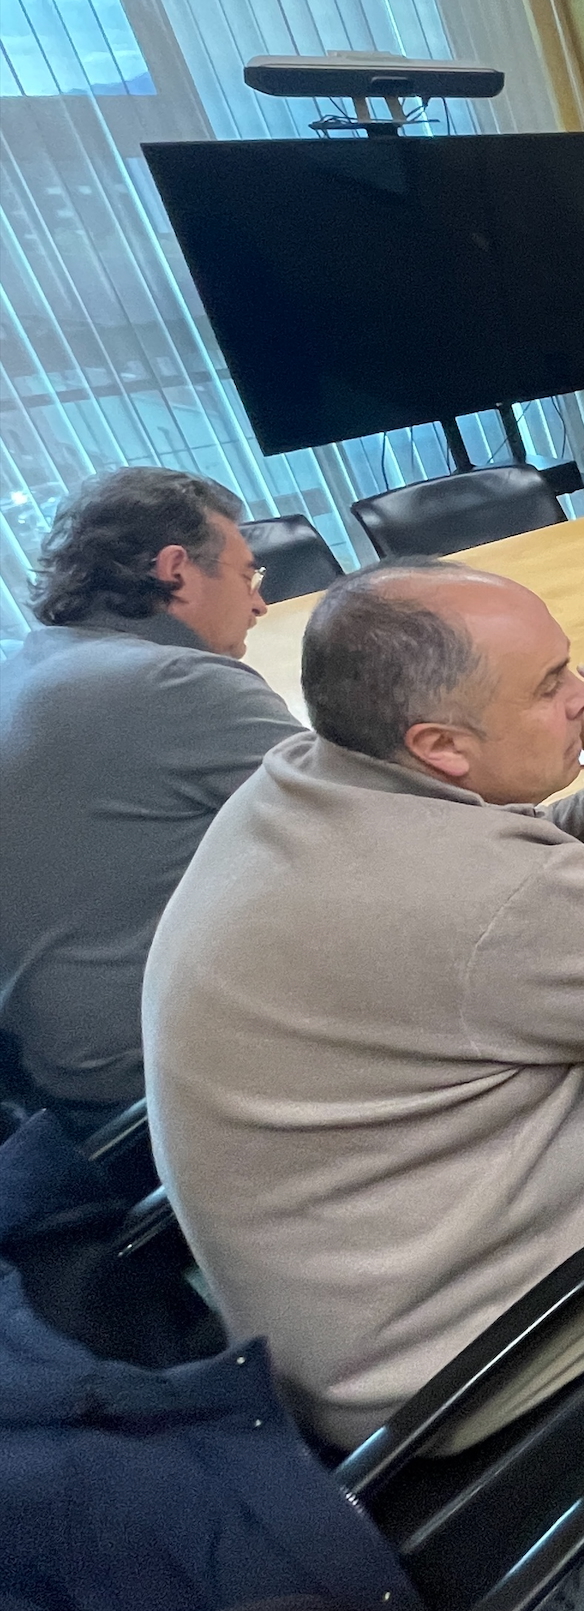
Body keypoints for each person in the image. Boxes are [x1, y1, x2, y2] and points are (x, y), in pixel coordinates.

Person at [144, 559, 584, 1452]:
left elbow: (514, 863)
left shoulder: (310, 778)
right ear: (439, 745)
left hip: (333, 1299)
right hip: (448, 1365)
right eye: (551, 685)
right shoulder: (477, 899)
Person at [0, 468, 297, 1129]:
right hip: (158, 1076)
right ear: (177, 571)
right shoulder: (174, 683)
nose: (259, 604)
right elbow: (375, 820)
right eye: (247, 575)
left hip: (51, 1071)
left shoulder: (31, 666)